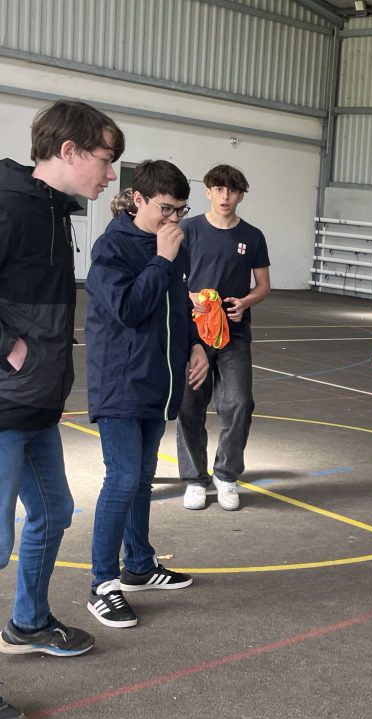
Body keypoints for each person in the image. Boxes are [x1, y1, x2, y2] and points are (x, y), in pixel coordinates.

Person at [0, 100, 124, 719]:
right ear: (69, 151)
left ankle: (27, 623)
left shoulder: (53, 211)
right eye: (107, 159)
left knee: (53, 513)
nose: (112, 175)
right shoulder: (9, 205)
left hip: (37, 404)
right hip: (3, 404)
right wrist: (10, 348)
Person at [85, 160, 209, 629]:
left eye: (181, 210)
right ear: (138, 200)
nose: (174, 218)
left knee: (141, 480)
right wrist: (161, 259)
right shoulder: (112, 247)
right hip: (119, 382)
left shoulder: (175, 244)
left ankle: (138, 564)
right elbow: (129, 309)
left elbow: (177, 308)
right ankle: (102, 584)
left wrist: (195, 344)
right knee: (121, 480)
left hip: (158, 382)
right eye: (166, 208)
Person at [177, 165, 271, 511]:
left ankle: (227, 475)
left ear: (241, 195)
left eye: (232, 190)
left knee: (240, 403)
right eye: (219, 189)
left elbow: (263, 286)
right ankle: (194, 479)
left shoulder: (253, 236)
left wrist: (245, 302)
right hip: (193, 335)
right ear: (208, 192)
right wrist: (192, 298)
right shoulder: (188, 229)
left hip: (235, 335)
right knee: (189, 406)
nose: (225, 196)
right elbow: (170, 276)